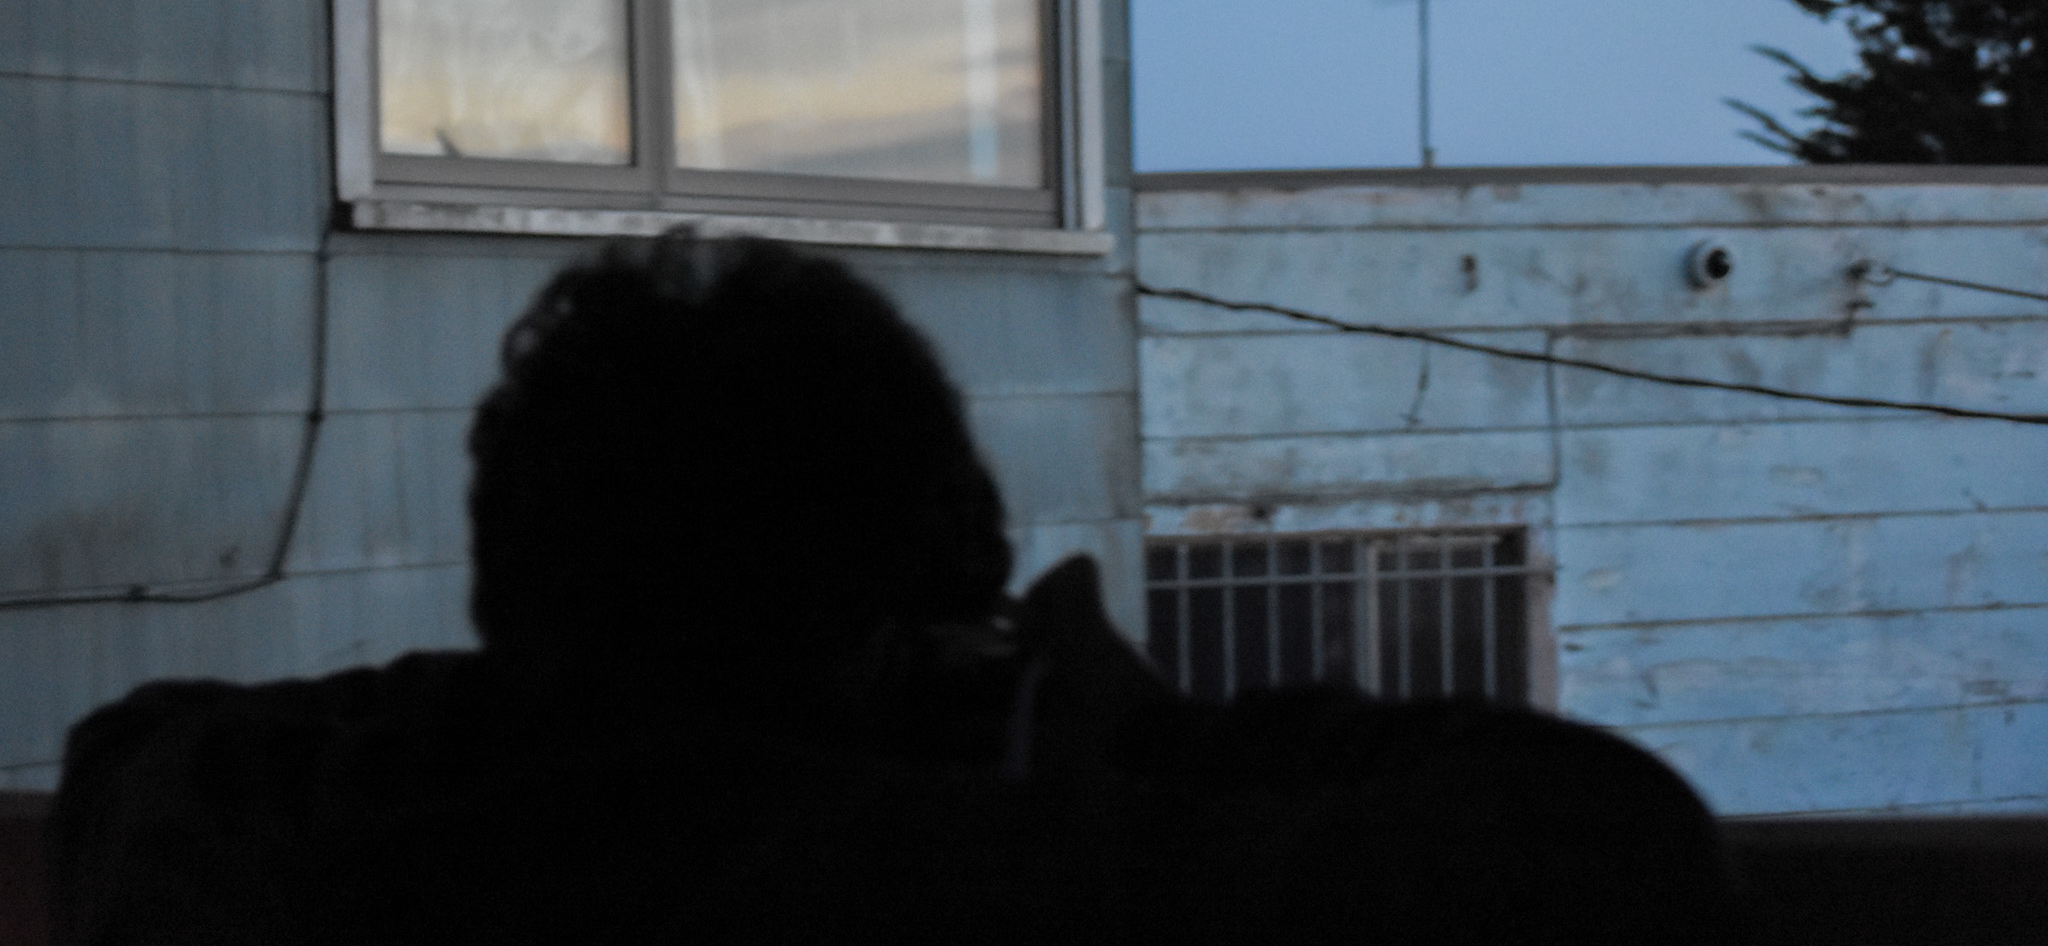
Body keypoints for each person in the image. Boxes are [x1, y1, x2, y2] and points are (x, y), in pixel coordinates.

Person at [48, 233, 1736, 944]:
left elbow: (139, 742)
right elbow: (1614, 838)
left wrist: (531, 694)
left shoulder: (295, 845)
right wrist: (1122, 723)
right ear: (913, 603)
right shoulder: (1037, 875)